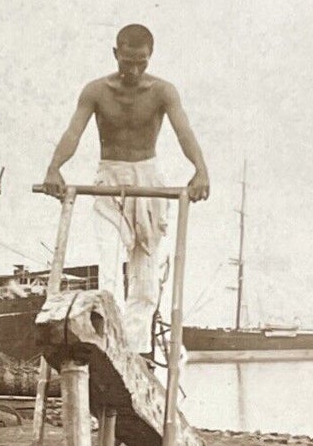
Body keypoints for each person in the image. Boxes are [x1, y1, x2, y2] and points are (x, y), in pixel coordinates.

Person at [42, 25, 210, 353]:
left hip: (148, 180)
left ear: (150, 57)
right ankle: (107, 342)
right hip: (110, 178)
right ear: (116, 53)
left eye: (141, 62)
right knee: (110, 260)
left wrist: (201, 170)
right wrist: (54, 168)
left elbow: (184, 132)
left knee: (145, 271)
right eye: (127, 61)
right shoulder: (96, 91)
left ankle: (136, 352)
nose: (133, 70)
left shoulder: (163, 91)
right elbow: (73, 132)